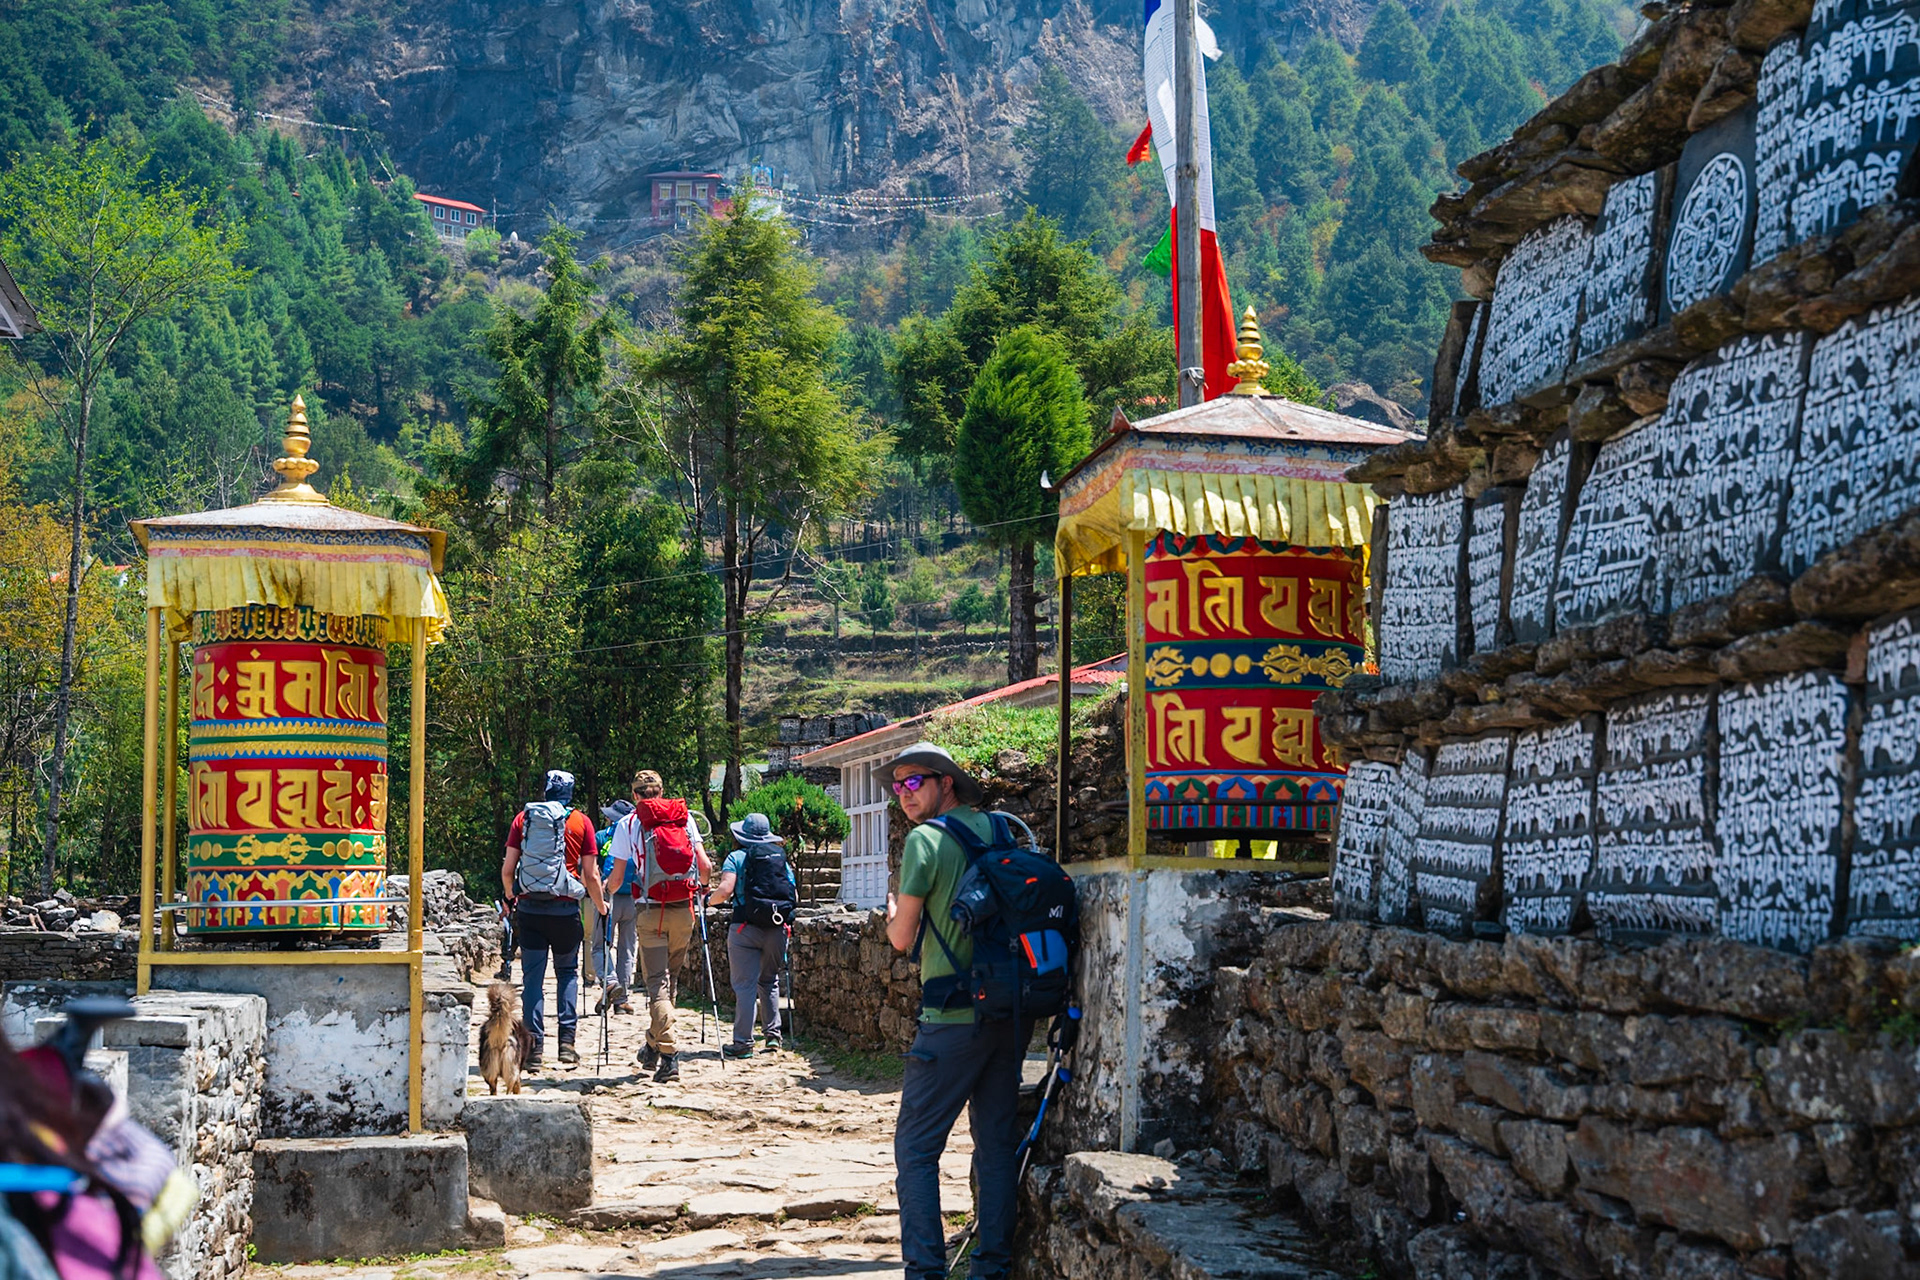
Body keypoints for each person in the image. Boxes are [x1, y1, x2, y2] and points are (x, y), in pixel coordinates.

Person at [882, 742, 1024, 1280]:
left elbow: (901, 938)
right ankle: (992, 1268)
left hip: (950, 1019)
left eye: (914, 782)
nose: (904, 794)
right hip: (1008, 1015)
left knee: (916, 1148)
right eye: (897, 786)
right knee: (994, 1144)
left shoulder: (926, 840)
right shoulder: (1001, 831)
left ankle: (926, 1272)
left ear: (947, 782)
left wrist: (894, 910)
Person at [605, 769, 710, 1082]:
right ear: (661, 791)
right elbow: (704, 866)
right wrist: (701, 888)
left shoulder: (628, 824)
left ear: (635, 795)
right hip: (685, 910)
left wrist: (605, 894)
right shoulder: (685, 818)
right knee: (670, 980)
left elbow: (618, 877)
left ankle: (669, 1055)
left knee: (656, 984)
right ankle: (651, 1046)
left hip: (651, 911)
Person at [501, 769, 606, 1069]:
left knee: (533, 978)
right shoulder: (581, 822)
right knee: (567, 974)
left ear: (546, 790)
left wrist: (511, 895)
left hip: (530, 909)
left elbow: (508, 869)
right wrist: (600, 907)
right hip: (565, 912)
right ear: (571, 793)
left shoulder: (524, 819)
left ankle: (533, 1051)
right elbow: (591, 874)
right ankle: (566, 1045)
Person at [709, 811, 798, 1058]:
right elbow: (793, 893)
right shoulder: (779, 858)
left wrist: (709, 900)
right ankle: (772, 1037)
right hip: (777, 927)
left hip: (744, 927)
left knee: (745, 985)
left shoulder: (736, 857)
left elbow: (725, 890)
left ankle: (743, 1042)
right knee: (769, 981)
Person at [594, 798, 639, 1015]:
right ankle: (622, 999)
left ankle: (610, 983)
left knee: (601, 945)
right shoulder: (637, 836)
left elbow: (592, 865)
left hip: (607, 897)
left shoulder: (602, 836)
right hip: (633, 897)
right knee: (627, 949)